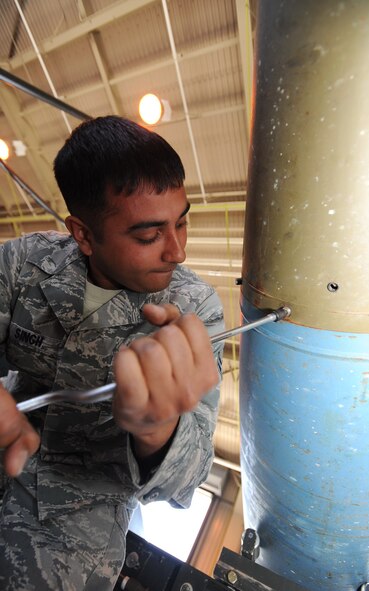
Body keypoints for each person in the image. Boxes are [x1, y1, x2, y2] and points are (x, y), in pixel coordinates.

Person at [0, 115, 224, 590]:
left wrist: (159, 430)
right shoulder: (23, 265)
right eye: (148, 236)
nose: (177, 251)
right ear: (82, 234)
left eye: (182, 223)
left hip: (69, 543)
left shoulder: (193, 309)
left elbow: (192, 472)